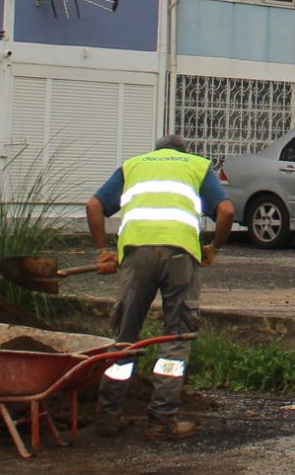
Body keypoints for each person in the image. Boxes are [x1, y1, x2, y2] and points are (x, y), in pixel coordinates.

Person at [86, 133, 233, 439]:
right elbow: (226, 211)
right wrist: (214, 248)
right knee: (175, 338)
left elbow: (94, 205)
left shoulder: (134, 166)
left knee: (124, 338)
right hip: (180, 255)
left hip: (136, 255)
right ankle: (162, 421)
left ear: (155, 152)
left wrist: (102, 252)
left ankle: (108, 416)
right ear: (182, 152)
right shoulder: (196, 166)